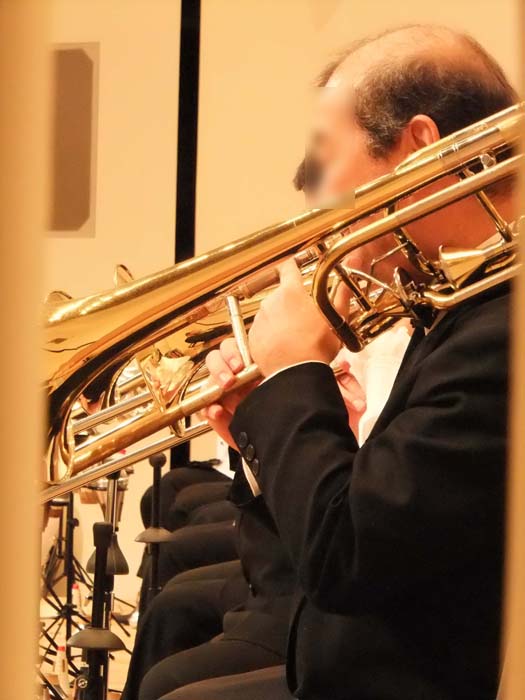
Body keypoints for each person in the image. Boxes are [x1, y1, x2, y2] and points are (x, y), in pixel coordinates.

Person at [161, 24, 518, 700]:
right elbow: (333, 534)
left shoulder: (498, 329)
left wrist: (295, 376)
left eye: (328, 153)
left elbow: (345, 556)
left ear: (420, 146)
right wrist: (265, 425)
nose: (321, 188)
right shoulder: (455, 299)